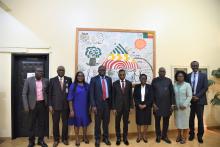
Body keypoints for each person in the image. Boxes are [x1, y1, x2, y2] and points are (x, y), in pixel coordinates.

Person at [22, 67, 49, 147]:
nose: (40, 73)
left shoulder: (46, 81)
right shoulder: (28, 80)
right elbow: (24, 94)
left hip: (42, 104)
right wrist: (26, 106)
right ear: (35, 72)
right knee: (31, 124)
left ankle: (40, 140)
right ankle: (31, 141)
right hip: (32, 105)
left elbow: (48, 92)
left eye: (41, 72)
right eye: (38, 71)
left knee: (42, 124)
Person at [49, 66, 72, 147]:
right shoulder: (52, 80)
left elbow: (70, 93)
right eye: (60, 70)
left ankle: (64, 139)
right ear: (57, 71)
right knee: (55, 123)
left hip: (66, 106)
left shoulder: (69, 79)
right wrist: (50, 105)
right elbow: (49, 94)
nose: (61, 71)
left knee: (65, 123)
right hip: (55, 106)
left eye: (63, 70)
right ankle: (56, 140)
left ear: (64, 71)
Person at [90, 65, 112, 147]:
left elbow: (111, 92)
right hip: (97, 105)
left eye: (104, 69)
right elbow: (91, 93)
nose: (102, 70)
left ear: (105, 70)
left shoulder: (109, 79)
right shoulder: (93, 79)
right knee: (97, 123)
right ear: (98, 71)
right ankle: (97, 139)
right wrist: (93, 105)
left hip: (107, 104)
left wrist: (111, 105)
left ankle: (106, 138)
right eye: (101, 69)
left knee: (106, 123)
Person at [152, 67, 175, 144]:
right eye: (161, 71)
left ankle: (164, 136)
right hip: (157, 106)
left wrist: (172, 104)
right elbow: (151, 94)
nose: (162, 72)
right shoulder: (154, 80)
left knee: (166, 122)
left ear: (165, 72)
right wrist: (153, 104)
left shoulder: (169, 81)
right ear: (158, 72)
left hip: (167, 105)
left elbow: (172, 93)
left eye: (163, 71)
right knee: (157, 122)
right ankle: (158, 136)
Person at [67, 71, 91, 146]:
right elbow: (70, 99)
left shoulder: (87, 85)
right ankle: (77, 138)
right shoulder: (73, 86)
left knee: (85, 122)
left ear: (83, 77)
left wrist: (90, 107)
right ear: (76, 77)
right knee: (76, 123)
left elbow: (90, 97)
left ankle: (84, 136)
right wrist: (71, 110)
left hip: (85, 108)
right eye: (78, 76)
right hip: (76, 108)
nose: (80, 77)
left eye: (81, 76)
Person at [187, 61, 208, 143]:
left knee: (200, 119)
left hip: (200, 101)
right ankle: (191, 134)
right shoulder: (188, 76)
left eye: (196, 65)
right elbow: (187, 87)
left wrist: (197, 96)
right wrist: (191, 96)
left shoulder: (203, 75)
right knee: (191, 118)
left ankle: (200, 136)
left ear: (198, 66)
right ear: (191, 66)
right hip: (190, 101)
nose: (195, 66)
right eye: (193, 65)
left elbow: (205, 87)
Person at [112, 69, 133, 146]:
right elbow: (113, 97)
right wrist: (113, 108)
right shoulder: (114, 84)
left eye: (123, 74)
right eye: (120, 75)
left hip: (126, 107)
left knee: (125, 123)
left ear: (125, 75)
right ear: (118, 75)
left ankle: (125, 138)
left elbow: (130, 96)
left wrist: (131, 107)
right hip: (117, 108)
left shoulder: (129, 83)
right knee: (117, 123)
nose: (122, 76)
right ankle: (118, 138)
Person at [174, 71, 192, 144]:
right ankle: (179, 136)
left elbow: (190, 96)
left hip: (185, 108)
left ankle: (184, 137)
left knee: (185, 123)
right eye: (178, 76)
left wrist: (184, 105)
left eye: (181, 76)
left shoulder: (187, 85)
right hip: (177, 108)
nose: (180, 77)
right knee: (178, 123)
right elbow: (173, 96)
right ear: (176, 77)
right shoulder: (174, 85)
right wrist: (174, 104)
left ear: (184, 77)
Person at [133, 74, 153, 143]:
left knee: (146, 122)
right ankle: (139, 135)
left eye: (144, 78)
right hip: (139, 107)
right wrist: (138, 104)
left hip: (147, 107)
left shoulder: (150, 87)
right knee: (139, 122)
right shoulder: (136, 87)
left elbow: (151, 97)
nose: (143, 80)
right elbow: (134, 97)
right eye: (142, 78)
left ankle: (144, 135)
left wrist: (146, 105)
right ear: (140, 79)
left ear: (146, 79)